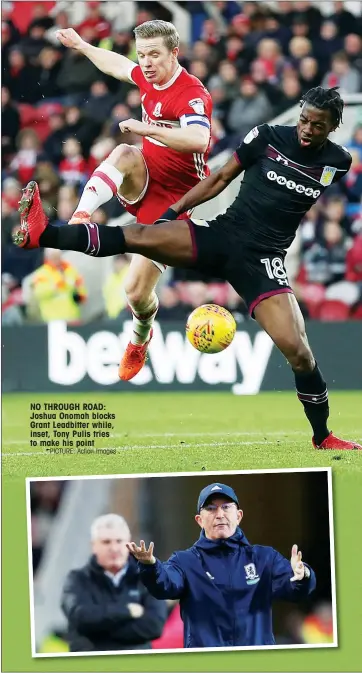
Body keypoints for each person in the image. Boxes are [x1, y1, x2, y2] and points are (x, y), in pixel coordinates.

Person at [14, 86, 362, 451]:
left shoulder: (337, 164)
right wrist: (171, 213)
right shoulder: (268, 136)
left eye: (317, 125)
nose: (307, 129)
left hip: (263, 259)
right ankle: (44, 234)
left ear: (334, 126)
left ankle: (323, 437)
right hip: (224, 234)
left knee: (299, 351)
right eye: (304, 119)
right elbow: (219, 178)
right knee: (137, 236)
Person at [56, 21, 212, 381]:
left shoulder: (191, 93)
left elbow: (198, 140)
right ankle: (81, 214)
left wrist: (149, 129)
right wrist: (81, 45)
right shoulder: (146, 74)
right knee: (124, 152)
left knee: (135, 293)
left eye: (154, 54)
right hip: (144, 176)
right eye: (142, 55)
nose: (146, 62)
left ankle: (140, 338)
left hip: (175, 201)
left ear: (175, 53)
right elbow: (116, 64)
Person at [126, 482, 316, 648]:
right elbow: (165, 585)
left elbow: (294, 589)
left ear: (239, 515)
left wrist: (303, 575)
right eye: (211, 508)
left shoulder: (263, 557)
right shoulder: (185, 561)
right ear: (199, 520)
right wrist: (150, 565)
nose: (219, 514)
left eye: (226, 507)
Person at [61, 513, 167, 652]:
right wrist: (128, 611)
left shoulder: (148, 578)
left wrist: (97, 633)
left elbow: (154, 626)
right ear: (93, 546)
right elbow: (80, 618)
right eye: (106, 542)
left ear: (129, 543)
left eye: (119, 541)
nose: (114, 548)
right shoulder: (77, 579)